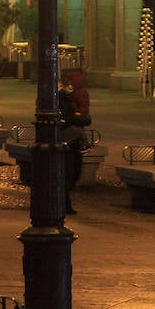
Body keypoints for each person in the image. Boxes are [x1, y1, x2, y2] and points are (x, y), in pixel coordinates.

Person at [60, 70, 92, 215]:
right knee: (69, 172)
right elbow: (72, 117)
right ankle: (63, 203)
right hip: (67, 140)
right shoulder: (62, 97)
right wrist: (83, 119)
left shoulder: (69, 95)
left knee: (71, 172)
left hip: (69, 140)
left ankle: (64, 202)